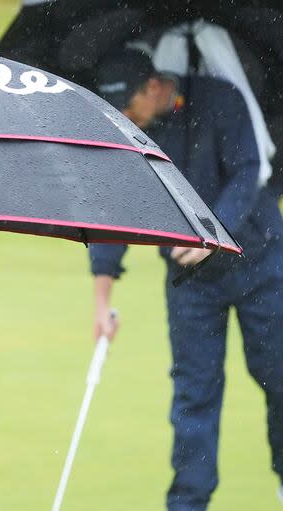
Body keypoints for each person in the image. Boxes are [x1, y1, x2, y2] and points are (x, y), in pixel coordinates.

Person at [91, 48, 283, 510]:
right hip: (190, 282)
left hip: (260, 264)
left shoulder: (222, 98)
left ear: (154, 86)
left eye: (127, 106)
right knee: (194, 395)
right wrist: (102, 300)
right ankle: (189, 503)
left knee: (278, 378)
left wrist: (211, 235)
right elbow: (117, 208)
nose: (123, 117)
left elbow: (248, 172)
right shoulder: (132, 133)